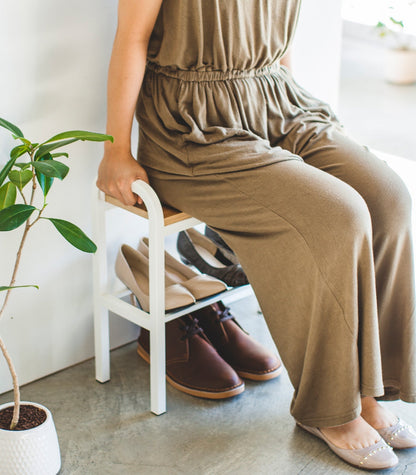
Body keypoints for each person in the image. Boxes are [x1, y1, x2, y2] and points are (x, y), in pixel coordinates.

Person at [96, 0, 416, 470]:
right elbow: (132, 38)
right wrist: (117, 150)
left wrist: (295, 109)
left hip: (277, 100)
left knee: (388, 200)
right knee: (339, 216)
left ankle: (370, 391)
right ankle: (329, 408)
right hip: (191, 125)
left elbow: (273, 34)